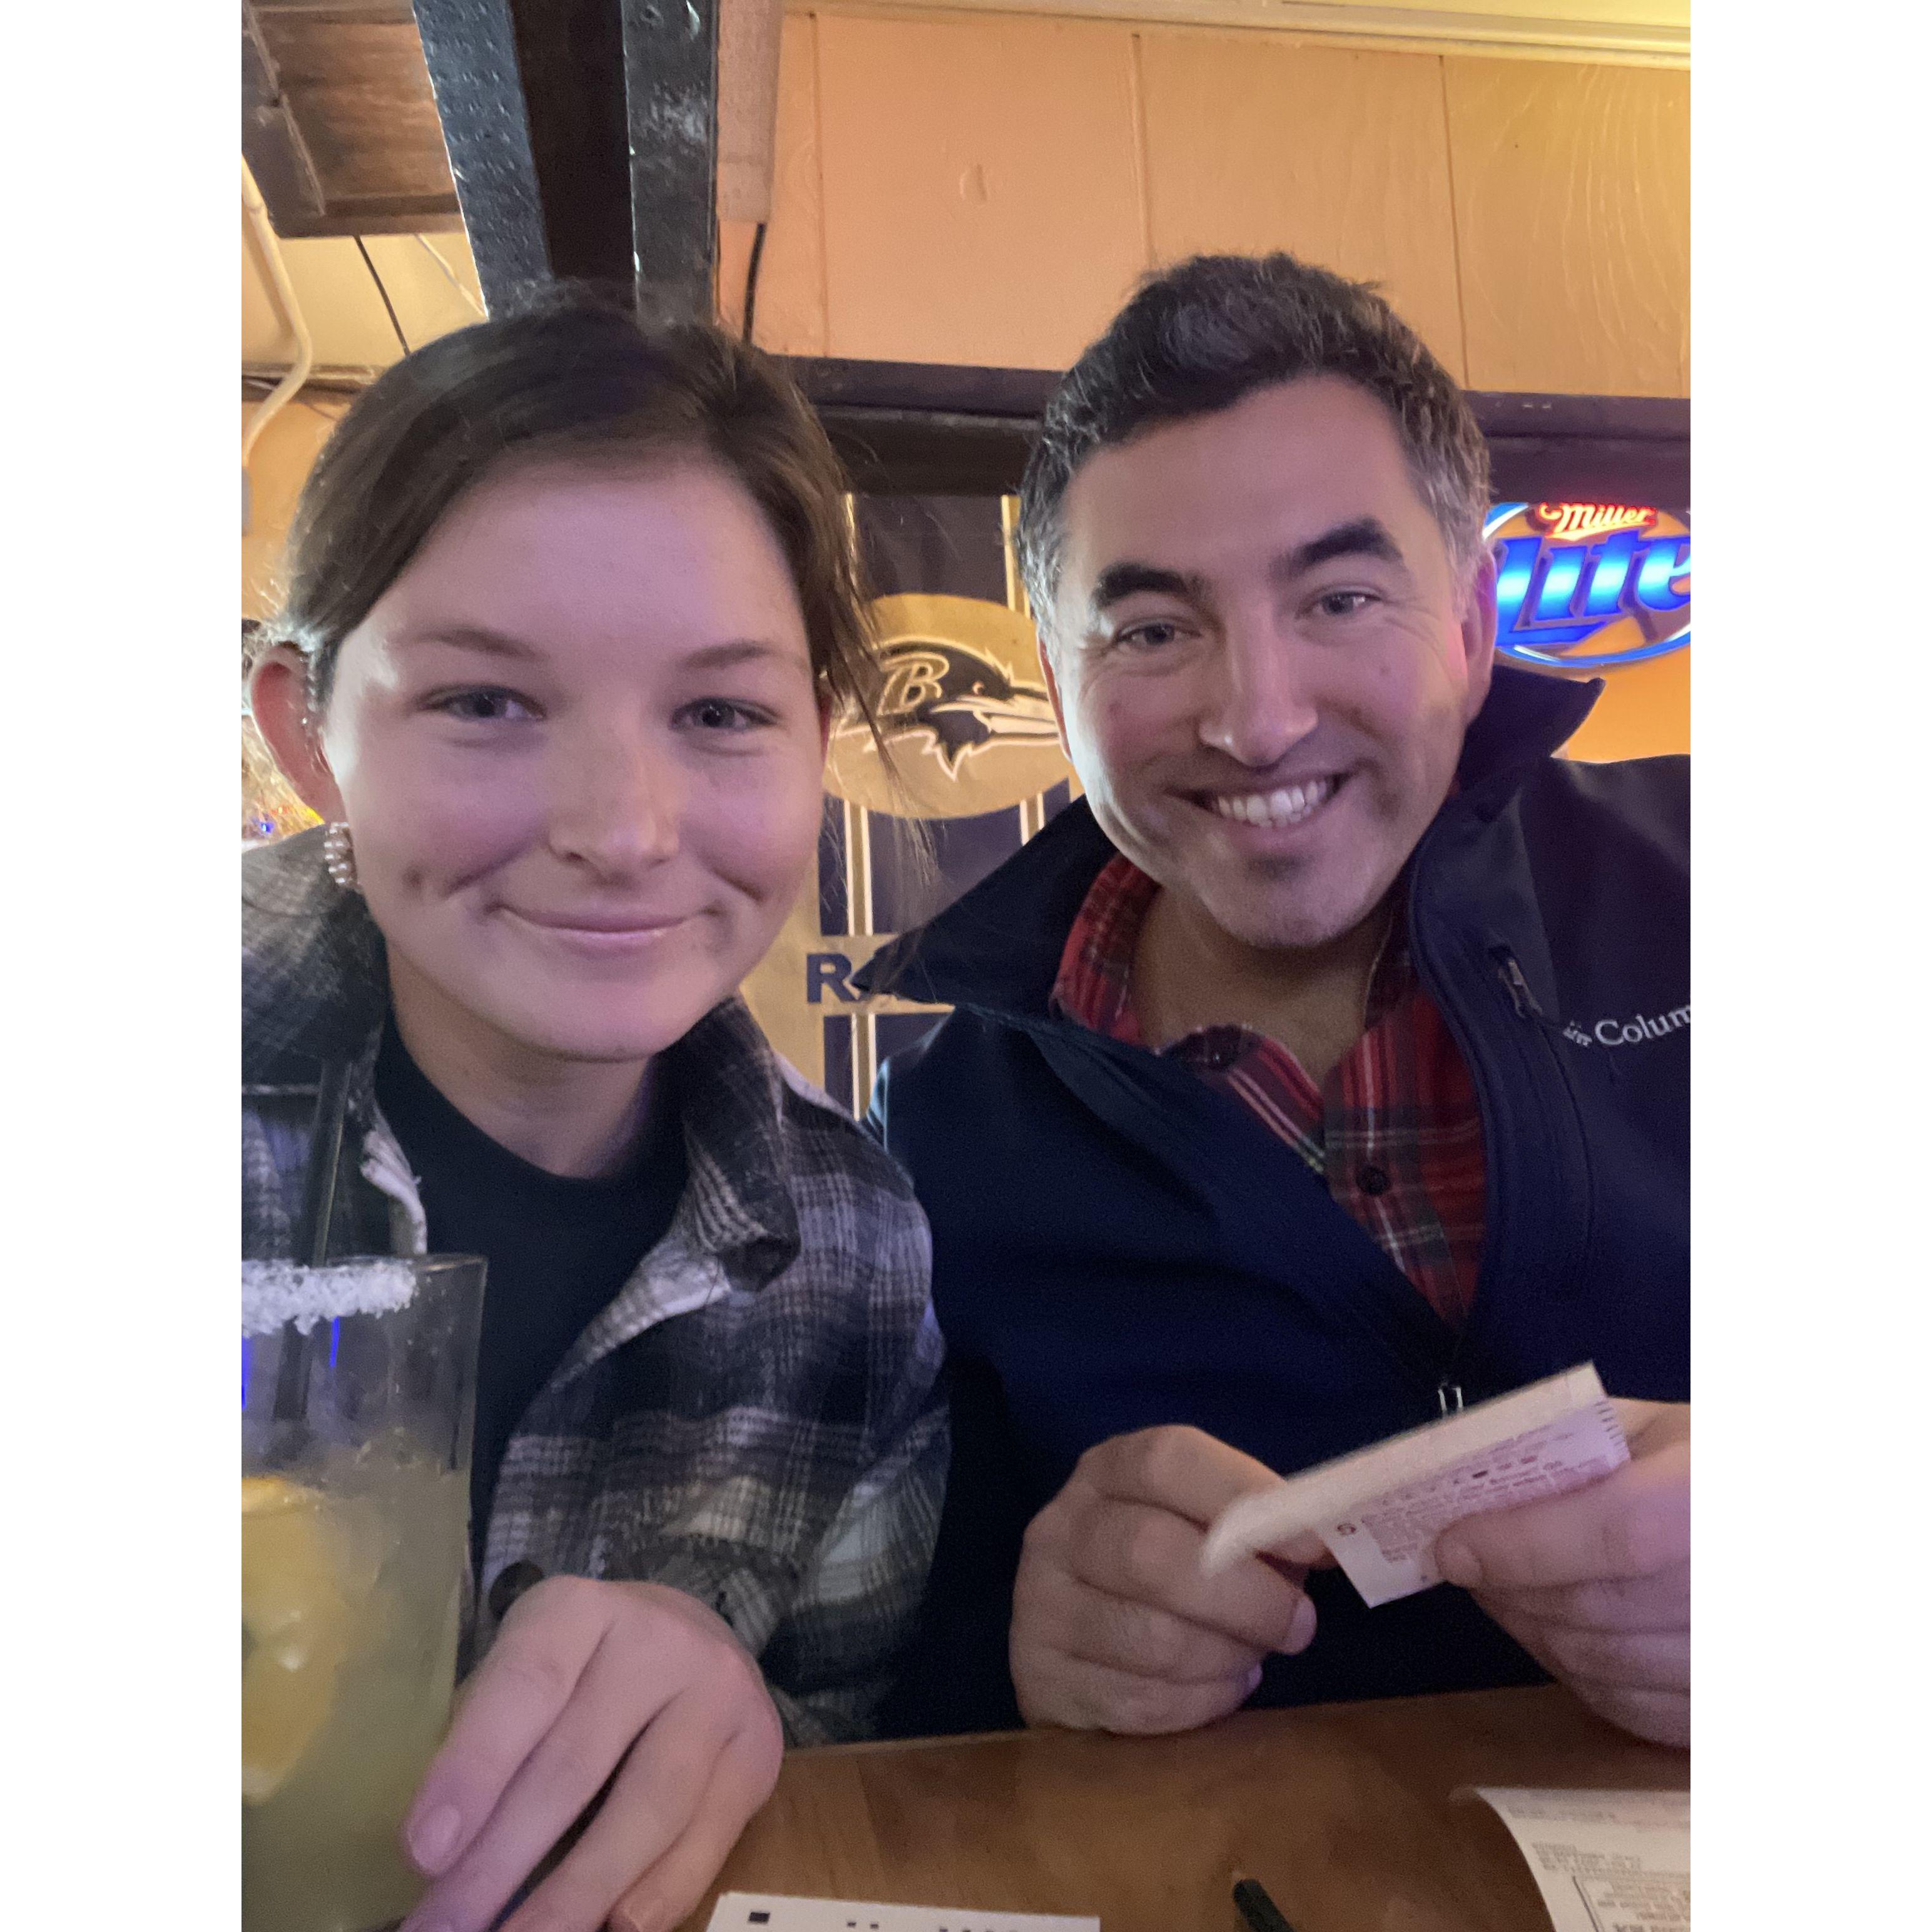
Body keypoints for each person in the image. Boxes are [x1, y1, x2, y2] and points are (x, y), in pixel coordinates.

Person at [863, 254, 1689, 1750]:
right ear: (1059, 686)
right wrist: (1031, 1657)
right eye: (1153, 630)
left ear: (1470, 617)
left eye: (1340, 594)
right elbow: (911, 1686)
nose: (1256, 716)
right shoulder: (940, 1136)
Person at [243, 292, 947, 1932]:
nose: (624, 832)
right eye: (486, 703)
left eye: (720, 714)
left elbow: (854, 1757)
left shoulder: (851, 1248)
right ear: (310, 737)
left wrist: (739, 1726)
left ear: (816, 746)